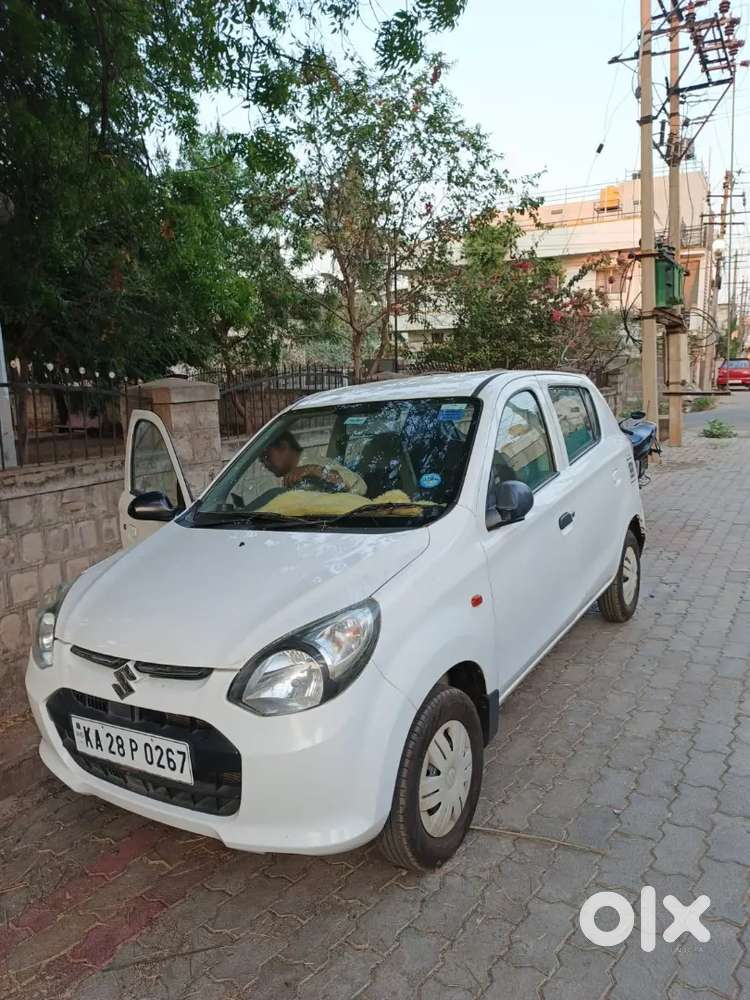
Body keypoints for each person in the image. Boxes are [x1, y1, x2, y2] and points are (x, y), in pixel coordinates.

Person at [261, 430, 368, 495]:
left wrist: (313, 470)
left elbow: (360, 487)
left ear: (284, 446)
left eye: (266, 456)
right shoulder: (291, 475)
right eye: (261, 460)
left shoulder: (315, 464)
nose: (265, 463)